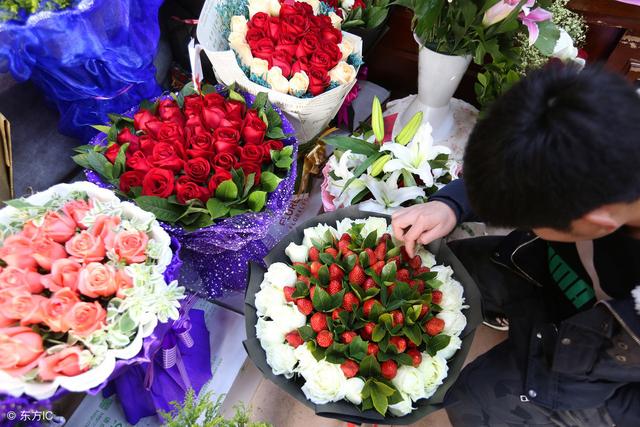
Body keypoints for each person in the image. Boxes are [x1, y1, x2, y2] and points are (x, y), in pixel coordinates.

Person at [392, 65, 640, 427]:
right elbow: (528, 159)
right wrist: (451, 204)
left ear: (598, 225)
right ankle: (515, 313)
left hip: (600, 365)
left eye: (530, 217)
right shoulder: (609, 120)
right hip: (544, 270)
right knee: (434, 271)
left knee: (474, 399)